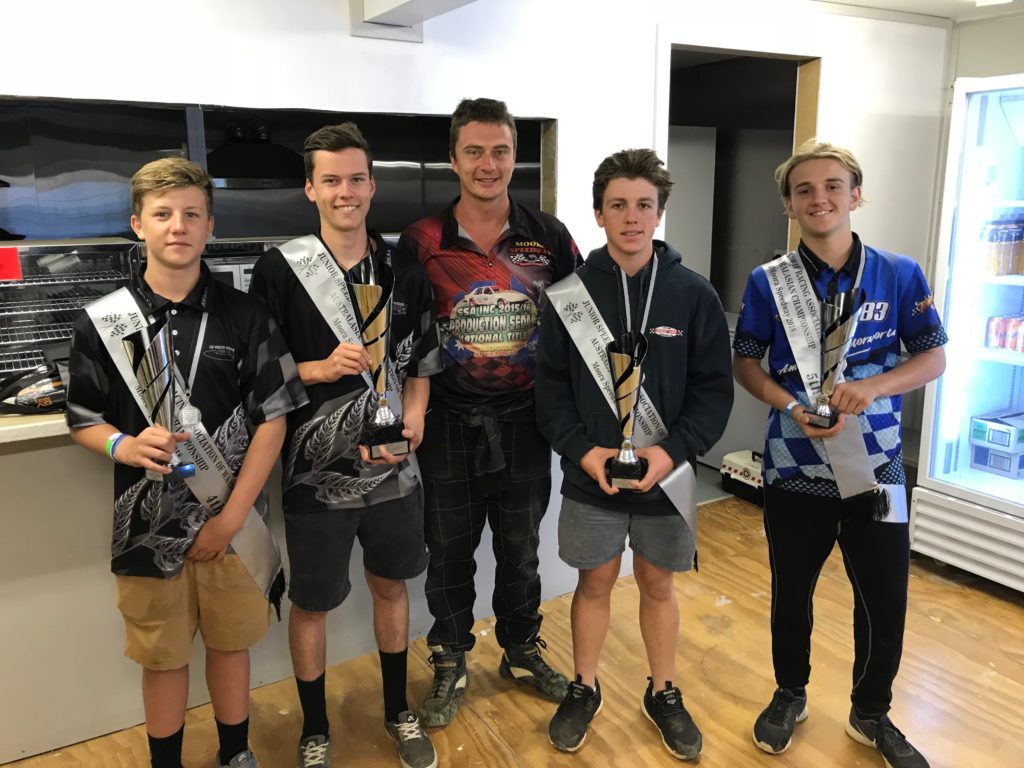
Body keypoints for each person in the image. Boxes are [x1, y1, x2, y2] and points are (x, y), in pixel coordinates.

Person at [66, 157, 307, 768]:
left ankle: (235, 755)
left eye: (191, 214)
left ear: (209, 226)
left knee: (232, 647)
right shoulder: (104, 322)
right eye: (163, 214)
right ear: (137, 225)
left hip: (235, 525)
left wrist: (231, 519)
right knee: (163, 657)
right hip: (147, 530)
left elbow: (273, 419)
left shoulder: (246, 315)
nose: (178, 226)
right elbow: (84, 419)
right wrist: (122, 445)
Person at [733, 140, 946, 768]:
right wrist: (788, 404)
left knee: (883, 595)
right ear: (789, 205)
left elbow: (933, 354)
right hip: (794, 463)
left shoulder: (898, 272)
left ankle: (870, 711)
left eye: (832, 186)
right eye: (804, 190)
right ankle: (789, 693)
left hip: (875, 467)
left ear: (856, 195)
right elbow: (747, 361)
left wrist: (873, 387)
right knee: (791, 590)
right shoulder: (768, 281)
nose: (819, 198)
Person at [248, 122, 440, 768]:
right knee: (312, 604)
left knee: (392, 587)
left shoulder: (403, 272)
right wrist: (319, 369)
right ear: (310, 188)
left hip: (395, 472)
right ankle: (315, 729)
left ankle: (398, 712)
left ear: (372, 185)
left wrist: (413, 421)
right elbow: (260, 373)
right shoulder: (278, 272)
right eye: (331, 179)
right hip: (312, 477)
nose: (345, 191)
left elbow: (422, 367)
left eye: (356, 178)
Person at [535, 148, 733, 760]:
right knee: (593, 583)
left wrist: (671, 453)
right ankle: (585, 686)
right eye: (617, 205)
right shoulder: (568, 294)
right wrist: (581, 451)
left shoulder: (693, 295)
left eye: (643, 205)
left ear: (659, 212)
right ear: (598, 214)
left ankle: (663, 690)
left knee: (656, 584)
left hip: (665, 478)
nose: (631, 217)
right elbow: (550, 389)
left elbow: (713, 392)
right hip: (592, 472)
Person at [397, 97, 579, 727]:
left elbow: (580, 324)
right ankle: (449, 658)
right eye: (474, 151)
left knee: (522, 547)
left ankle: (522, 649)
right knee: (447, 547)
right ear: (453, 159)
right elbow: (401, 338)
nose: (488, 163)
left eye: (500, 150)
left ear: (514, 157)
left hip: (528, 420)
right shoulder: (420, 242)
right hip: (446, 422)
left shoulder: (548, 236)